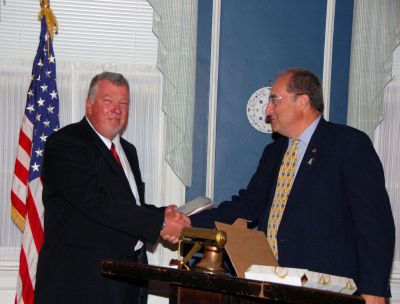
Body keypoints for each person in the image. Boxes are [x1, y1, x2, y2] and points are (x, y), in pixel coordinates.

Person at [190, 68, 395, 304]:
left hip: (329, 292)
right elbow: (247, 206)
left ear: (303, 101)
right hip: (275, 289)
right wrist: (187, 223)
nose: (268, 110)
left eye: (274, 100)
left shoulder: (348, 144)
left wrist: (374, 290)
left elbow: (374, 225)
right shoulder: (274, 152)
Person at [34, 71, 190, 304]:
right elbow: (97, 203)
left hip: (129, 281)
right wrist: (161, 223)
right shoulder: (65, 144)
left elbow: (128, 206)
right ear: (89, 105)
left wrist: (163, 213)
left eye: (123, 103)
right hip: (80, 285)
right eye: (108, 101)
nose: (117, 110)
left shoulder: (128, 151)